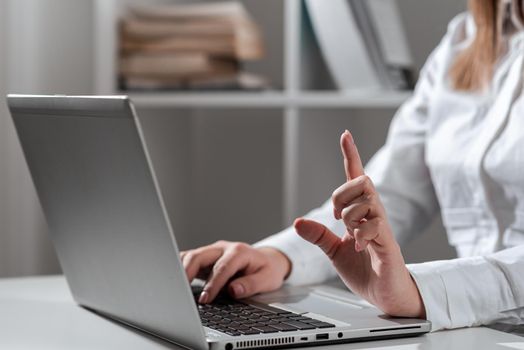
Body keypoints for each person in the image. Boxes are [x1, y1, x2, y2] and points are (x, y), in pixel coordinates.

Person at [180, 0, 524, 331]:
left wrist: (423, 292)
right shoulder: (465, 40)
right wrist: (277, 258)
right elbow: (395, 192)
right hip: (471, 327)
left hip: (459, 316)